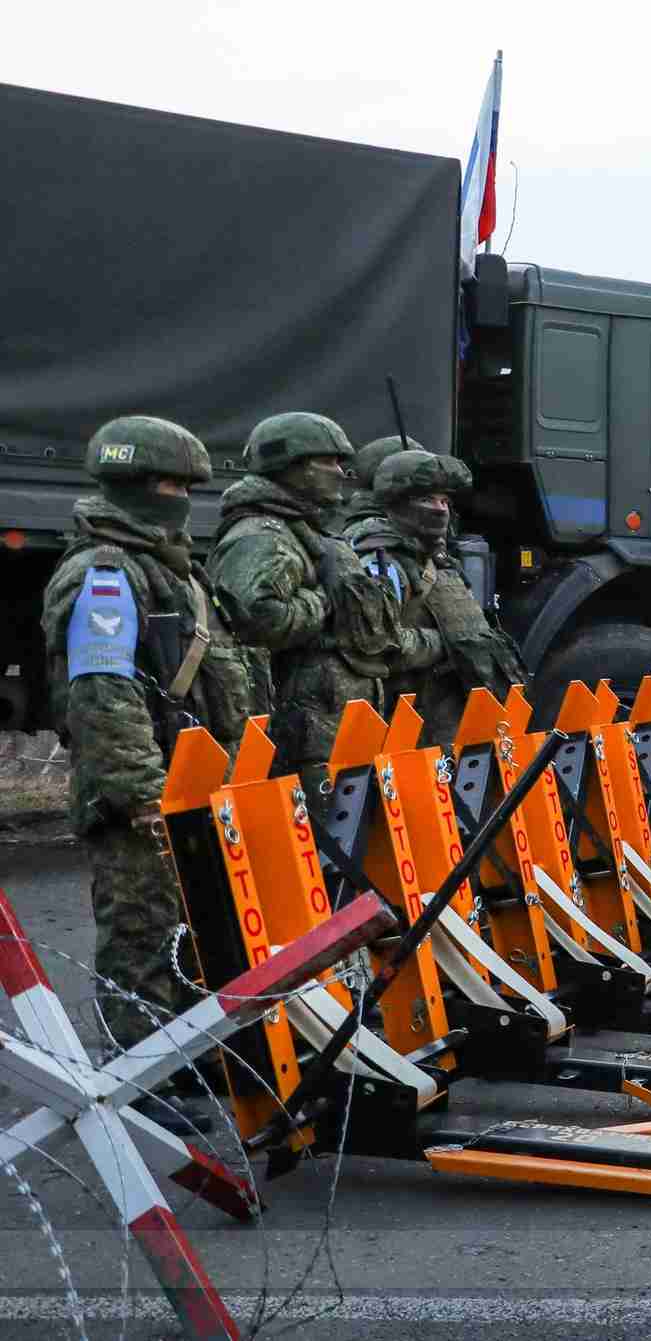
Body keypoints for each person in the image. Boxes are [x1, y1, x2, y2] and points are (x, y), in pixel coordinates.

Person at [41, 417, 261, 1136]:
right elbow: (103, 697)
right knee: (140, 937)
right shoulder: (107, 573)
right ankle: (139, 1087)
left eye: (189, 486)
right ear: (134, 486)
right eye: (171, 485)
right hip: (145, 797)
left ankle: (181, 1068)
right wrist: (143, 795)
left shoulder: (171, 566)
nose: (182, 498)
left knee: (185, 935)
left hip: (188, 788)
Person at [208, 412, 399, 782]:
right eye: (327, 461)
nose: (340, 472)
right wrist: (325, 601)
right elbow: (256, 618)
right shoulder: (263, 535)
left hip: (332, 726)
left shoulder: (307, 531)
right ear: (290, 467)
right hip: (302, 733)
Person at [346, 450, 529, 746]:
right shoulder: (382, 561)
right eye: (426, 500)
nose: (440, 509)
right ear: (398, 504)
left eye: (444, 501)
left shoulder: (440, 560)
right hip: (411, 726)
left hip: (457, 719)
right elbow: (376, 645)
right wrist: (445, 645)